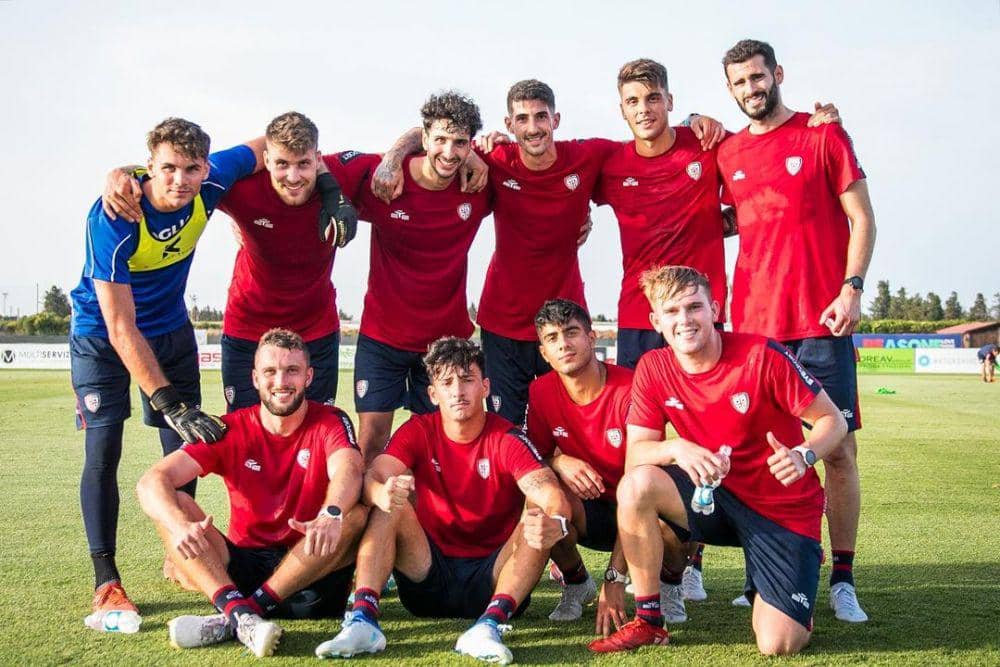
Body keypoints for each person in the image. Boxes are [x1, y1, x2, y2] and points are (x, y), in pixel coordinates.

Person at [373, 80, 725, 426]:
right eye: (522, 119)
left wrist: (692, 120)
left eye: (541, 117)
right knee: (504, 428)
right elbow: (435, 134)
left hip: (564, 322)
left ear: (555, 120)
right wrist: (393, 157)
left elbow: (648, 139)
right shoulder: (493, 158)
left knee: (575, 425)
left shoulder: (588, 156)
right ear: (509, 125)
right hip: (504, 323)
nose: (533, 127)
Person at [590, 266, 847, 655]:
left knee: (778, 643)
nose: (684, 320)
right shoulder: (653, 367)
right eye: (672, 312)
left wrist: (803, 453)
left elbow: (833, 420)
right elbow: (637, 454)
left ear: (714, 308)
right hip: (714, 497)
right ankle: (649, 621)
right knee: (637, 486)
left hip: (780, 508)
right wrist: (678, 448)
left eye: (693, 307)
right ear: (655, 321)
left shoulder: (762, 355)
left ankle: (791, 579)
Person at [69, 117, 261, 626]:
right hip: (102, 336)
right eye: (167, 168)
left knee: (185, 455)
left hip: (172, 332)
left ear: (205, 167)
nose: (179, 180)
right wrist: (166, 400)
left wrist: (328, 189)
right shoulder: (113, 215)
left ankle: (182, 554)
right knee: (103, 449)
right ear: (148, 167)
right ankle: (106, 581)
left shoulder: (213, 180)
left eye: (191, 168)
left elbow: (266, 145)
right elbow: (118, 324)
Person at [717, 39, 877, 622]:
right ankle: (767, 573)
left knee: (837, 450)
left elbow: (862, 216)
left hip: (822, 320)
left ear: (777, 74)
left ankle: (844, 578)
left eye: (757, 78)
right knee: (764, 454)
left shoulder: (823, 134)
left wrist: (852, 287)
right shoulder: (726, 152)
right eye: (738, 83)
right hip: (756, 328)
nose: (750, 90)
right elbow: (732, 217)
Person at [314, 337, 571, 665]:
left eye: (467, 380)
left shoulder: (507, 437)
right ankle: (363, 620)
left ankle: (489, 625)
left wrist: (556, 523)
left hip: (493, 579)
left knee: (537, 514)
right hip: (427, 577)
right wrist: (381, 492)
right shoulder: (419, 429)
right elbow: (374, 476)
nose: (457, 391)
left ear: (485, 387)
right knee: (390, 500)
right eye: (446, 382)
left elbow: (549, 491)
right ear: (433, 394)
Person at [102, 111, 360, 412]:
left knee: (316, 433)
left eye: (304, 163)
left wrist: (331, 187)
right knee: (243, 434)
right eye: (281, 164)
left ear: (317, 158)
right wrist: (122, 173)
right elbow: (176, 173)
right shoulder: (239, 186)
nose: (293, 176)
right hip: (247, 327)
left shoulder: (344, 175)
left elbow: (414, 154)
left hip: (317, 329)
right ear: (266, 159)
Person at [136, 328, 366, 657]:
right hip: (244, 565)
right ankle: (243, 615)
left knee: (355, 513)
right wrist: (177, 525)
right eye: (270, 372)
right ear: (256, 378)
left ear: (309, 376)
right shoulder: (229, 428)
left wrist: (330, 513)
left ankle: (239, 615)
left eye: (292, 371)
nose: (281, 381)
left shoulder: (330, 420)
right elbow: (151, 481)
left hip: (310, 567)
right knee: (177, 504)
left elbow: (348, 468)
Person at [332, 92, 492, 462]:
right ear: (423, 137)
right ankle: (373, 519)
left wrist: (582, 217)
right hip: (383, 337)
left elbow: (532, 179)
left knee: (444, 448)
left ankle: (431, 521)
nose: (450, 153)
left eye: (460, 143)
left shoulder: (479, 185)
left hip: (446, 340)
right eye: (440, 140)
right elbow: (305, 167)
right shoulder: (385, 180)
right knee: (371, 445)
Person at [526, 299, 688, 633]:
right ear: (544, 353)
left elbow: (645, 478)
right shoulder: (541, 392)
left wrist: (615, 578)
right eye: (553, 338)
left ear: (591, 336)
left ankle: (670, 583)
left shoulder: (632, 388)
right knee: (541, 499)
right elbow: (532, 461)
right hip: (592, 513)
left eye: (571, 332)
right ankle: (576, 582)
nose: (564, 344)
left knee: (677, 514)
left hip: (643, 511)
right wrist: (558, 460)